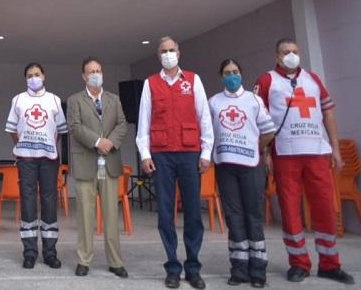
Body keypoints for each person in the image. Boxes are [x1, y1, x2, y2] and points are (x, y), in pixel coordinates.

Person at [255, 39, 354, 284]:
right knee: (290, 210)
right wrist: (266, 152)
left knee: (324, 208)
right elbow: (260, 117)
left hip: (317, 153)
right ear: (277, 56)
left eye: (295, 52)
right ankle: (299, 263)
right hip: (285, 154)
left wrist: (335, 148)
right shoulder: (267, 80)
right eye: (286, 52)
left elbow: (327, 112)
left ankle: (330, 264)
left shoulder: (312, 79)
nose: (291, 56)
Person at [136, 36, 213, 290]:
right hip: (162, 155)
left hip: (190, 152)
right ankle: (172, 266)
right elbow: (144, 121)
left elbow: (204, 117)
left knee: (192, 212)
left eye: (172, 50)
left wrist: (206, 152)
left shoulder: (193, 80)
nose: (168, 54)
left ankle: (193, 267)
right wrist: (145, 153)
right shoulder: (151, 83)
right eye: (163, 51)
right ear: (159, 55)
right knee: (166, 214)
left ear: (179, 53)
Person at [209, 59, 275, 287]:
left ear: (241, 74)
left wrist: (258, 147)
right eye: (227, 72)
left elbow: (268, 130)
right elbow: (208, 133)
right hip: (226, 166)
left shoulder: (254, 100)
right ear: (221, 76)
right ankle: (238, 268)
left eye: (235, 71)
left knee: (253, 216)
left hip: (251, 166)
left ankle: (258, 270)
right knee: (233, 217)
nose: (232, 76)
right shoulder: (214, 102)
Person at [67, 57, 128, 278]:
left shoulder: (114, 99)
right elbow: (74, 126)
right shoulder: (75, 100)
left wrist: (109, 142)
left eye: (98, 70)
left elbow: (122, 123)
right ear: (84, 76)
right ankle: (84, 259)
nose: (95, 74)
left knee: (112, 214)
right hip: (86, 162)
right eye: (91, 71)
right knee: (85, 214)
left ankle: (115, 261)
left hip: (109, 161)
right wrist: (97, 142)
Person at [5, 62, 68, 270]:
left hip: (49, 159)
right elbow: (13, 129)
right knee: (28, 202)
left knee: (50, 201)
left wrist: (47, 145)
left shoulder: (54, 100)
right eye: (30, 75)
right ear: (25, 78)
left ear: (44, 76)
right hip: (26, 159)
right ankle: (29, 252)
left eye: (37, 74)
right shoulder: (18, 100)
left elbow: (59, 131)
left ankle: (50, 252)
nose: (34, 78)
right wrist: (22, 146)